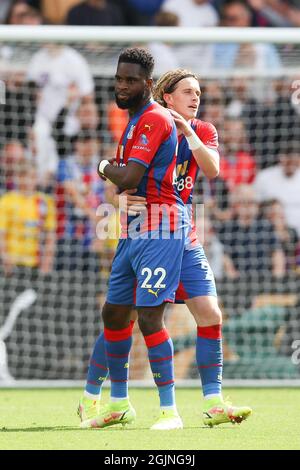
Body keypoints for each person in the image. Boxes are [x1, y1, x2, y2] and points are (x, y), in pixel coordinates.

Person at [79, 68, 252, 429]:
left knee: (210, 314)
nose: (196, 98)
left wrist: (188, 130)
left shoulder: (202, 130)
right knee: (122, 317)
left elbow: (214, 168)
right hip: (149, 230)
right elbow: (124, 175)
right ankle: (93, 395)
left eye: (199, 92)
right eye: (188, 91)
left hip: (182, 231)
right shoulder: (150, 124)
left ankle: (214, 402)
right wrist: (119, 200)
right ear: (167, 96)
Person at [79, 48, 188, 431]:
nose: (121, 86)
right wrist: (118, 185)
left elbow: (125, 177)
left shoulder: (153, 119)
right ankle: (120, 402)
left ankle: (169, 411)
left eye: (130, 80)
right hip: (133, 229)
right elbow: (125, 185)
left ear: (148, 84)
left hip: (162, 228)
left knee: (150, 317)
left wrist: (103, 166)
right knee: (113, 312)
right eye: (118, 79)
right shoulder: (134, 120)